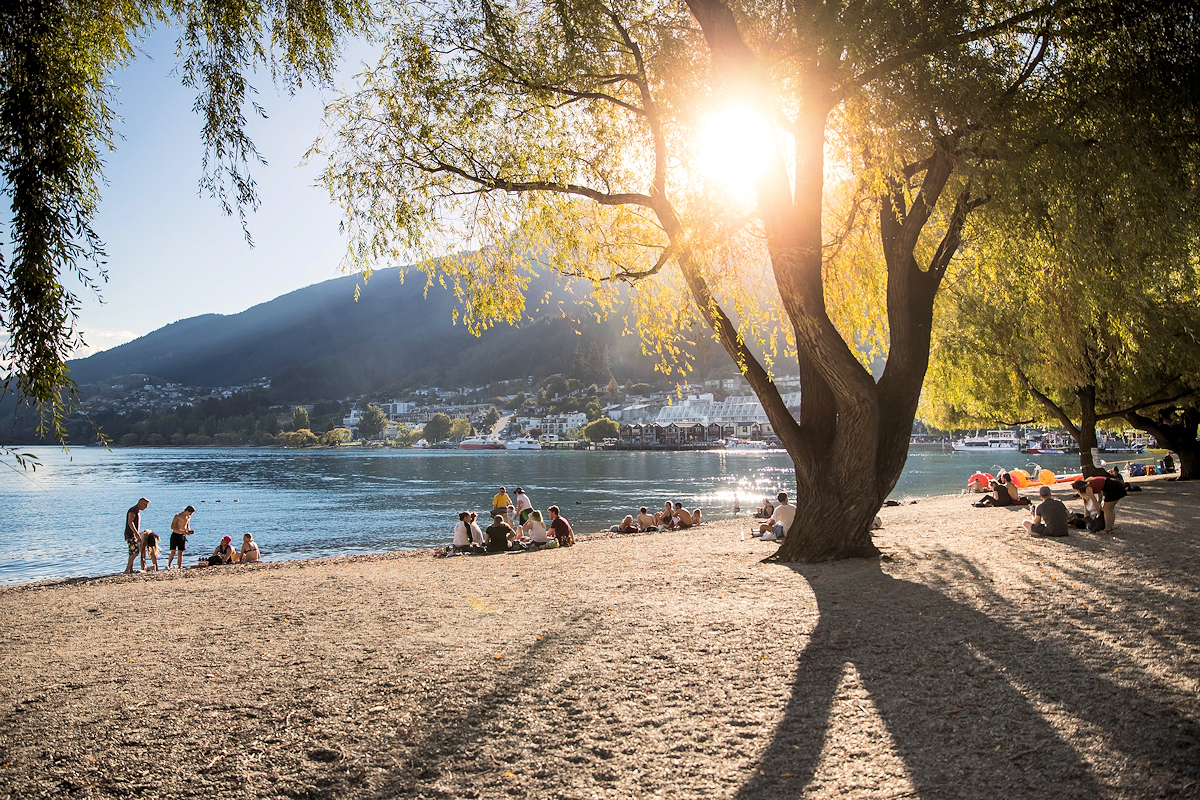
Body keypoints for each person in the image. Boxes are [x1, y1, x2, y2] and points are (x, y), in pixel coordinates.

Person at [124, 497, 150, 575]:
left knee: (132, 552)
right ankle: (127, 569)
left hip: (132, 534)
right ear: (141, 503)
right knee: (135, 552)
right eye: (145, 505)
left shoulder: (136, 510)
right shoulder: (133, 510)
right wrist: (136, 533)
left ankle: (130, 569)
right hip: (130, 534)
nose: (146, 507)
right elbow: (130, 522)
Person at [167, 505, 195, 570]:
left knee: (180, 552)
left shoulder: (188, 517)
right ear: (187, 511)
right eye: (190, 513)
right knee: (173, 551)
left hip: (182, 536)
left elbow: (187, 526)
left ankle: (179, 566)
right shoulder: (178, 516)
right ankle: (168, 565)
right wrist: (181, 531)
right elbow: (172, 527)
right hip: (175, 535)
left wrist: (189, 531)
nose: (190, 514)